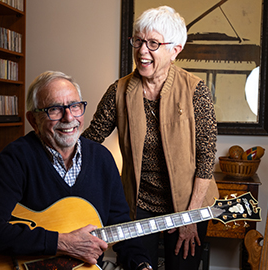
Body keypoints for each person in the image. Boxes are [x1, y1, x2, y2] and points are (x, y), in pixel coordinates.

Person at [0, 71, 152, 270]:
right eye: (55, 109)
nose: (69, 117)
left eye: (75, 106)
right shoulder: (17, 158)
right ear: (33, 120)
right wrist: (62, 243)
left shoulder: (103, 159)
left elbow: (121, 225)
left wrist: (141, 264)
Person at [82, 6, 219, 270]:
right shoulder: (119, 91)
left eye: (153, 43)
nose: (142, 51)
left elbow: (205, 159)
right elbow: (91, 141)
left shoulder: (195, 91)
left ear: (175, 49)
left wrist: (189, 218)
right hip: (139, 205)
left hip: (188, 205)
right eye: (138, 41)